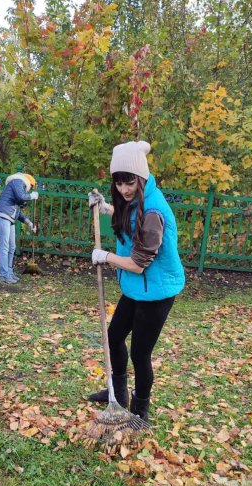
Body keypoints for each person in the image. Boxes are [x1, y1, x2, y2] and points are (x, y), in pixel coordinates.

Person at [88, 141, 185, 423]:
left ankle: (140, 412)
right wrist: (105, 207)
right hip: (136, 289)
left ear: (141, 177)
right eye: (118, 183)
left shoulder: (154, 212)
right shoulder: (135, 201)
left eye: (129, 182)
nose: (124, 190)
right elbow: (129, 219)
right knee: (114, 337)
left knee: (140, 353)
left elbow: (139, 265)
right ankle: (116, 394)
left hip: (156, 292)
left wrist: (105, 256)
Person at [0, 173, 38, 283]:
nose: (29, 190)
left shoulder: (17, 188)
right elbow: (22, 196)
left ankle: (9, 272)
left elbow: (18, 212)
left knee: (12, 247)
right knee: (5, 246)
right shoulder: (18, 181)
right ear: (29, 183)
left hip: (9, 219)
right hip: (2, 217)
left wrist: (29, 223)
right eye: (31, 188)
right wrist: (32, 196)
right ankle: (4, 275)